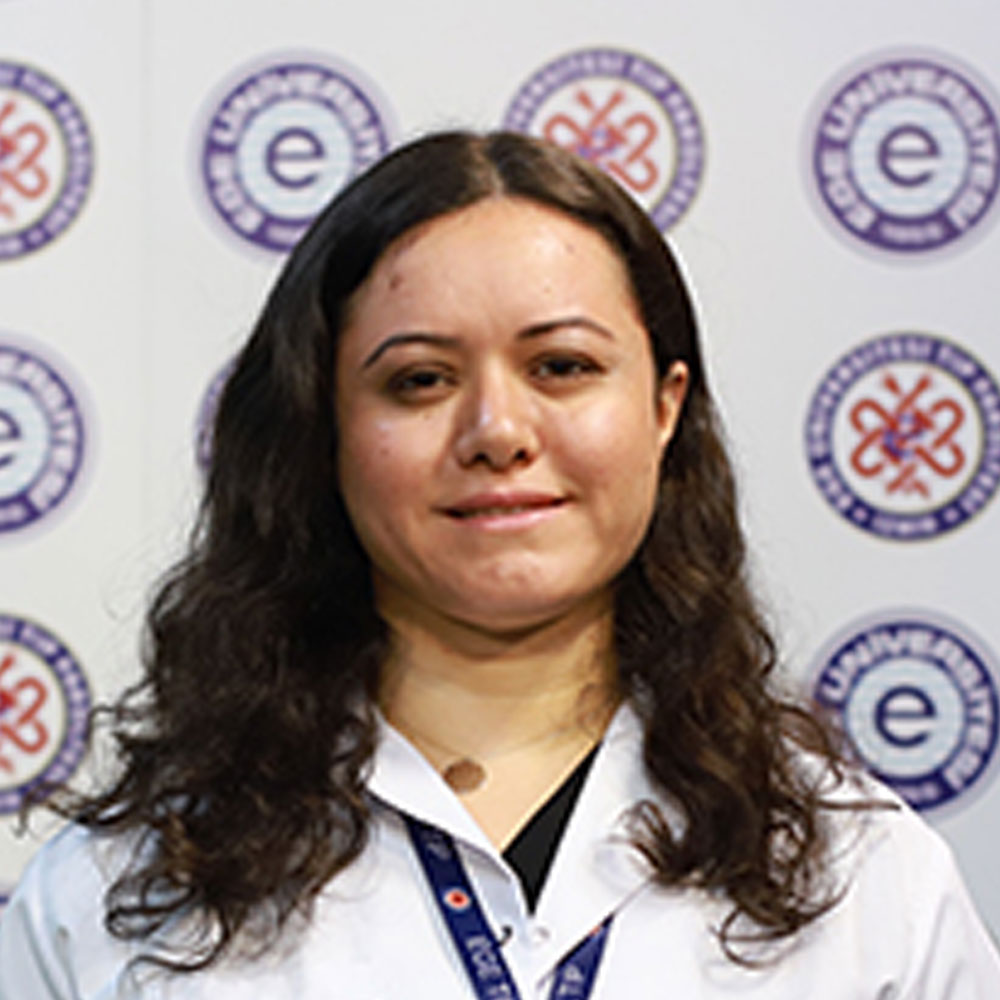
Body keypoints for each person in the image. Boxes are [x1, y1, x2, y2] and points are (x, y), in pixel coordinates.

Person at [0, 130, 997, 999]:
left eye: (562, 367)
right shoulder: (115, 896)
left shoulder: (864, 881)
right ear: (325, 431)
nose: (497, 430)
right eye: (419, 380)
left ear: (663, 407)